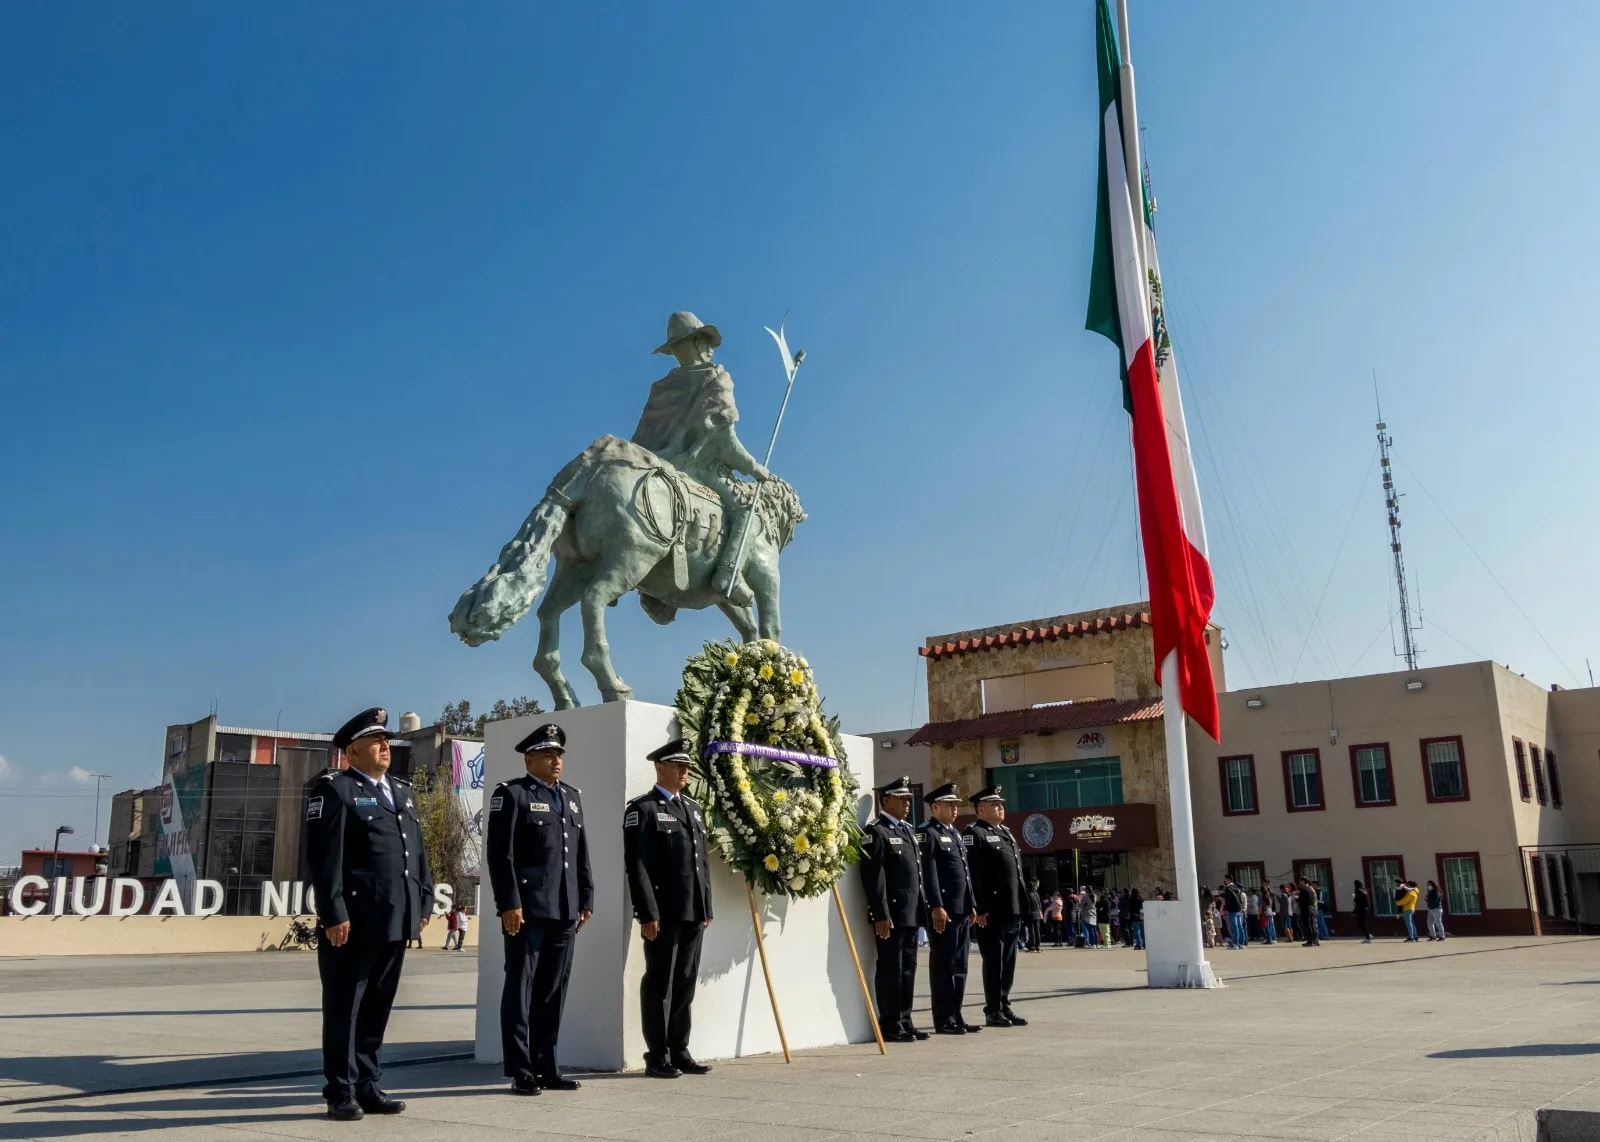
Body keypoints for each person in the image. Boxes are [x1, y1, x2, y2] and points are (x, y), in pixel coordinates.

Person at [305, 707, 434, 1121]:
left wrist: (424, 902)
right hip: (353, 922)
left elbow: (418, 854)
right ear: (351, 753)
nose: (384, 746)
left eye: (385, 740)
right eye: (374, 741)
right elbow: (325, 860)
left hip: (396, 918)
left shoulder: (401, 791)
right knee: (346, 1008)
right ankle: (339, 1090)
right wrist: (333, 913)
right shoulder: (335, 790)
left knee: (378, 1006)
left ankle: (367, 1083)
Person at [631, 311, 772, 605]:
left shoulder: (661, 386)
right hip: (697, 468)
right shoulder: (715, 378)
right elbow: (725, 441)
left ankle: (651, 590)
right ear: (696, 342)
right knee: (749, 512)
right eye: (706, 341)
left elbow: (642, 437)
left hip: (652, 466)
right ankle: (728, 577)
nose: (710, 348)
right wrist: (754, 468)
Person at [485, 723, 594, 1095]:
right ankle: (521, 1069)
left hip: (564, 909)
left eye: (559, 754)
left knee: (553, 989)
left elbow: (580, 853)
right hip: (527, 910)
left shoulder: (573, 797)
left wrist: (586, 897)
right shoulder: (512, 794)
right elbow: (501, 856)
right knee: (520, 987)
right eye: (548, 754)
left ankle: (547, 1065)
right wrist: (509, 903)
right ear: (529, 758)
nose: (556, 760)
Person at [624, 738, 715, 1078]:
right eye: (678, 766)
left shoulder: (692, 809)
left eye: (687, 766)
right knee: (659, 983)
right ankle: (657, 1055)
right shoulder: (643, 810)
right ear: (660, 768)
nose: (685, 771)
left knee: (685, 981)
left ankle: (680, 1049)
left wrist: (707, 904)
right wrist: (647, 913)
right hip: (663, 914)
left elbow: (700, 863)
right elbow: (638, 866)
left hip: (692, 910)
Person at [859, 775, 926, 1043]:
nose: (907, 803)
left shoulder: (907, 831)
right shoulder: (875, 832)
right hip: (891, 915)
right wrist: (880, 913)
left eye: (908, 799)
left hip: (910, 912)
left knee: (908, 968)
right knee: (891, 970)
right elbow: (873, 877)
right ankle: (890, 1023)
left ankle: (905, 1020)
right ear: (886, 800)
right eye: (902, 799)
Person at [917, 783, 982, 1036]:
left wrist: (972, 903)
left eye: (956, 805)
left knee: (960, 964)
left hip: (962, 909)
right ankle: (943, 1018)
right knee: (944, 965)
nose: (954, 809)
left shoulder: (954, 833)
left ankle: (956, 1015)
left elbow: (965, 874)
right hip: (944, 910)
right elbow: (929, 874)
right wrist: (935, 905)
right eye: (948, 805)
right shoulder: (928, 833)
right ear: (934, 807)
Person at [963, 786, 1029, 1028]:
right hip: (990, 910)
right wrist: (978, 907)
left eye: (1001, 803)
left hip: (1011, 908)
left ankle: (1004, 1004)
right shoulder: (975, 834)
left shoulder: (1007, 833)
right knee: (994, 961)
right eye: (994, 804)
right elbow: (974, 874)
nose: (1001, 807)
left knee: (1008, 960)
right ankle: (992, 1009)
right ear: (981, 809)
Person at [1221, 876, 1248, 950]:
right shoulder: (1236, 888)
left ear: (1228, 880)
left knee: (1234, 926)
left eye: (1225, 880)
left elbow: (1227, 899)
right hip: (1239, 909)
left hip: (1232, 909)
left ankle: (1235, 944)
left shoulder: (1228, 888)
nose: (1225, 881)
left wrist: (1225, 908)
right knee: (1240, 926)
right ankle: (1241, 943)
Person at [1296, 878, 1320, 947]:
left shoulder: (1303, 890)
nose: (1300, 883)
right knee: (1314, 925)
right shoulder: (1312, 889)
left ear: (1303, 881)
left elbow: (1301, 901)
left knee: (1307, 925)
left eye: (1300, 881)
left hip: (1306, 909)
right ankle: (1316, 940)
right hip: (1313, 908)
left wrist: (1297, 899)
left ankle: (1310, 941)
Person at [1023, 879, 1044, 953]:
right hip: (1037, 914)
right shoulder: (1036, 894)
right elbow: (1040, 904)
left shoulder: (1028, 895)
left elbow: (1026, 905)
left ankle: (1032, 946)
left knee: (1031, 931)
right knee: (1037, 930)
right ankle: (1037, 946)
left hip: (1031, 914)